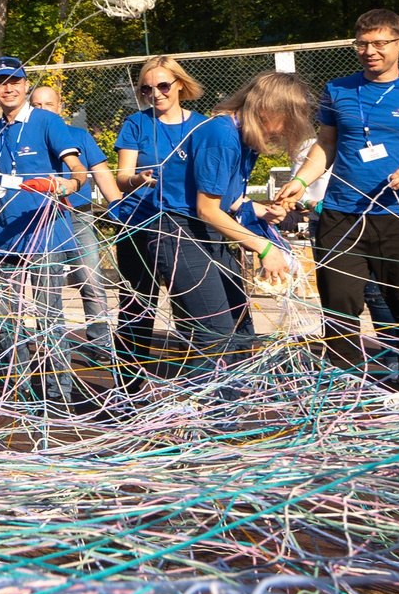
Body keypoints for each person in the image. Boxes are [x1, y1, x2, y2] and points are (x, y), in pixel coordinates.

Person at [273, 11, 399, 369]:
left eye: (379, 43)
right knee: (339, 308)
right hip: (341, 216)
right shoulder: (338, 89)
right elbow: (326, 144)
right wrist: (299, 181)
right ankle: (343, 388)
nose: (370, 51)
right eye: (362, 44)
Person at [0, 60, 121, 397]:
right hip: (5, 237)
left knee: (48, 315)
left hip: (46, 234)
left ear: (25, 84)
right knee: (6, 317)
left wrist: (68, 185)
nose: (8, 88)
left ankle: (59, 393)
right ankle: (20, 389)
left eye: (15, 81)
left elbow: (78, 170)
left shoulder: (48, 122)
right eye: (0, 82)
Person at [165, 72, 316, 364]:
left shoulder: (246, 139)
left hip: (206, 231)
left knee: (242, 327)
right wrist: (265, 248)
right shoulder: (222, 135)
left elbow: (226, 198)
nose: (286, 130)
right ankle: (202, 404)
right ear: (265, 110)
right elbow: (206, 209)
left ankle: (230, 397)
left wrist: (260, 209)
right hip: (180, 233)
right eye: (286, 119)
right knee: (216, 334)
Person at [109, 58, 210, 376]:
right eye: (147, 88)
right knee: (136, 308)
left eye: (163, 85)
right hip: (138, 225)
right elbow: (122, 177)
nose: (156, 93)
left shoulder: (202, 126)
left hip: (186, 228)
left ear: (179, 84)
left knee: (189, 309)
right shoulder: (136, 124)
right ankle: (128, 390)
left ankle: (193, 386)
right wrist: (138, 180)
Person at [28, 82, 118, 364]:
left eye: (48, 104)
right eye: (37, 105)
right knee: (46, 287)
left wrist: (119, 209)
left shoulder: (78, 135)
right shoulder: (25, 135)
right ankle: (52, 348)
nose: (43, 110)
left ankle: (100, 342)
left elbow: (101, 173)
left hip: (77, 216)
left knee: (90, 278)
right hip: (41, 219)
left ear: (60, 108)